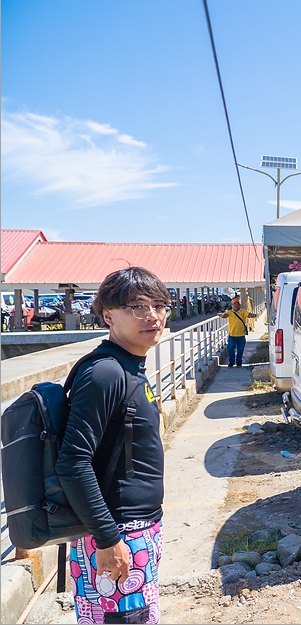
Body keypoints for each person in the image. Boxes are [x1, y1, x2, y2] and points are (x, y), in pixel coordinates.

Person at [55, 267, 169, 624]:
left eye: (160, 305)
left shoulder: (130, 367)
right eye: (137, 307)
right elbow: (73, 461)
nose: (152, 316)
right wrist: (106, 539)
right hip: (116, 534)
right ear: (108, 315)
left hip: (136, 530)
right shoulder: (105, 373)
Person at [218, 297, 249, 367]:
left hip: (241, 335)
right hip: (232, 335)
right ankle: (231, 362)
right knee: (231, 348)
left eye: (237, 304)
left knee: (240, 350)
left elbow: (248, 314)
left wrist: (252, 315)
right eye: (234, 304)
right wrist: (222, 315)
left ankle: (239, 362)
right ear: (231, 305)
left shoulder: (243, 311)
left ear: (239, 305)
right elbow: (225, 315)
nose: (236, 305)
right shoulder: (229, 312)